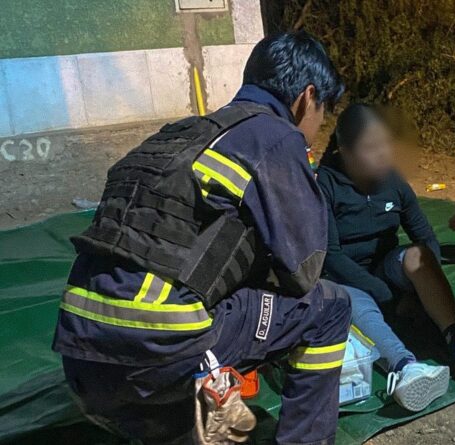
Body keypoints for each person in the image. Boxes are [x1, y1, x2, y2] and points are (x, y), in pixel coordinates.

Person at [51, 32, 350, 445]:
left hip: (82, 358)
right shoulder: (275, 136)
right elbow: (304, 271)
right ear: (306, 97)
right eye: (324, 111)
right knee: (329, 305)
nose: (319, 127)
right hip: (160, 353)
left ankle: (176, 418)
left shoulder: (180, 133)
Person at [316, 105, 455, 384]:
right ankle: (405, 367)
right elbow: (331, 255)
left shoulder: (393, 181)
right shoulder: (324, 186)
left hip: (385, 267)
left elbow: (425, 237)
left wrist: (421, 281)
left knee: (418, 255)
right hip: (343, 277)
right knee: (358, 304)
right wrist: (385, 293)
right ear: (345, 151)